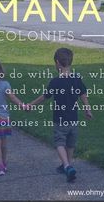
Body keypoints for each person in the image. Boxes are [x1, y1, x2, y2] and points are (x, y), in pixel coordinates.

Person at [29, 48, 92, 182]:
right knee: (70, 144)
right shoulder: (76, 79)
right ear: (71, 62)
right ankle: (68, 166)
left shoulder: (56, 81)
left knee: (59, 143)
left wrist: (31, 105)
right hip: (73, 120)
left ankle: (67, 166)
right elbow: (83, 95)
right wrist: (88, 109)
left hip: (60, 120)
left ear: (57, 63)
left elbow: (44, 97)